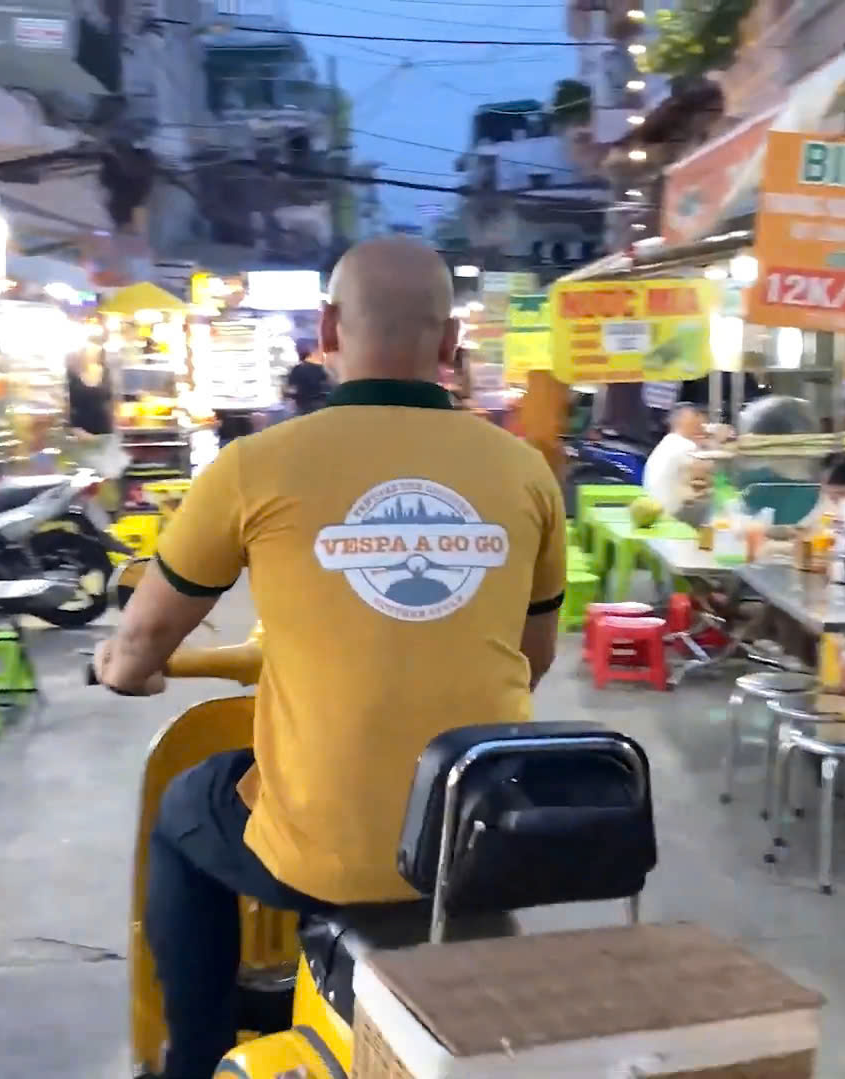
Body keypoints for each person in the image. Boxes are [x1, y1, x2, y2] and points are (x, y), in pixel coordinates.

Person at [92, 235, 566, 1078]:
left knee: (180, 810)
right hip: (481, 837)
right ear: (451, 342)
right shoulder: (524, 472)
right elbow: (531, 660)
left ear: (325, 330)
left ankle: (194, 1055)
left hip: (325, 856)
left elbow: (139, 641)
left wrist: (122, 670)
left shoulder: (254, 466)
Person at [642, 404, 707, 514]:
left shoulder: (669, 442)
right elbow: (706, 473)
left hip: (655, 509)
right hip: (671, 514)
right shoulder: (685, 445)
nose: (702, 427)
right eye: (698, 422)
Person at [66, 348, 115, 436]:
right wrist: (73, 428)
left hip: (105, 430)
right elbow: (67, 405)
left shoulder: (106, 371)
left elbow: (112, 401)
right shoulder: (72, 374)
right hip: (80, 431)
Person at [283, 342, 331, 417]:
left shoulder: (297, 369)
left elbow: (291, 390)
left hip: (304, 407)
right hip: (322, 406)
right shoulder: (323, 369)